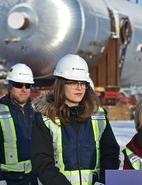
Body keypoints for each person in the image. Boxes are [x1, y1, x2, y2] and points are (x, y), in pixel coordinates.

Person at [31, 54, 120, 185]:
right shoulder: (45, 118)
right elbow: (42, 162)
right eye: (73, 82)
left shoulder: (98, 116)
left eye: (82, 83)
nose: (79, 87)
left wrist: (103, 181)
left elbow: (110, 153)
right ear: (61, 84)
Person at [0, 63, 38, 184]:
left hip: (34, 179)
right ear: (10, 87)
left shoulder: (37, 111)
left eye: (27, 85)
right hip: (9, 180)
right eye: (18, 85)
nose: (24, 89)